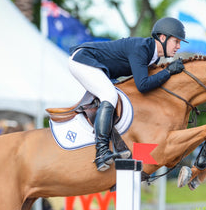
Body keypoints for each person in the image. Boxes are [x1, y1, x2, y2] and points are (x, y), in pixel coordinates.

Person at [68, 17, 188, 171]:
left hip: (98, 66)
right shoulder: (141, 49)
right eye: (176, 42)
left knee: (116, 95)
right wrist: (168, 71)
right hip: (83, 60)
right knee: (109, 95)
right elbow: (143, 85)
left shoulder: (154, 57)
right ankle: (102, 152)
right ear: (163, 38)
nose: (178, 46)